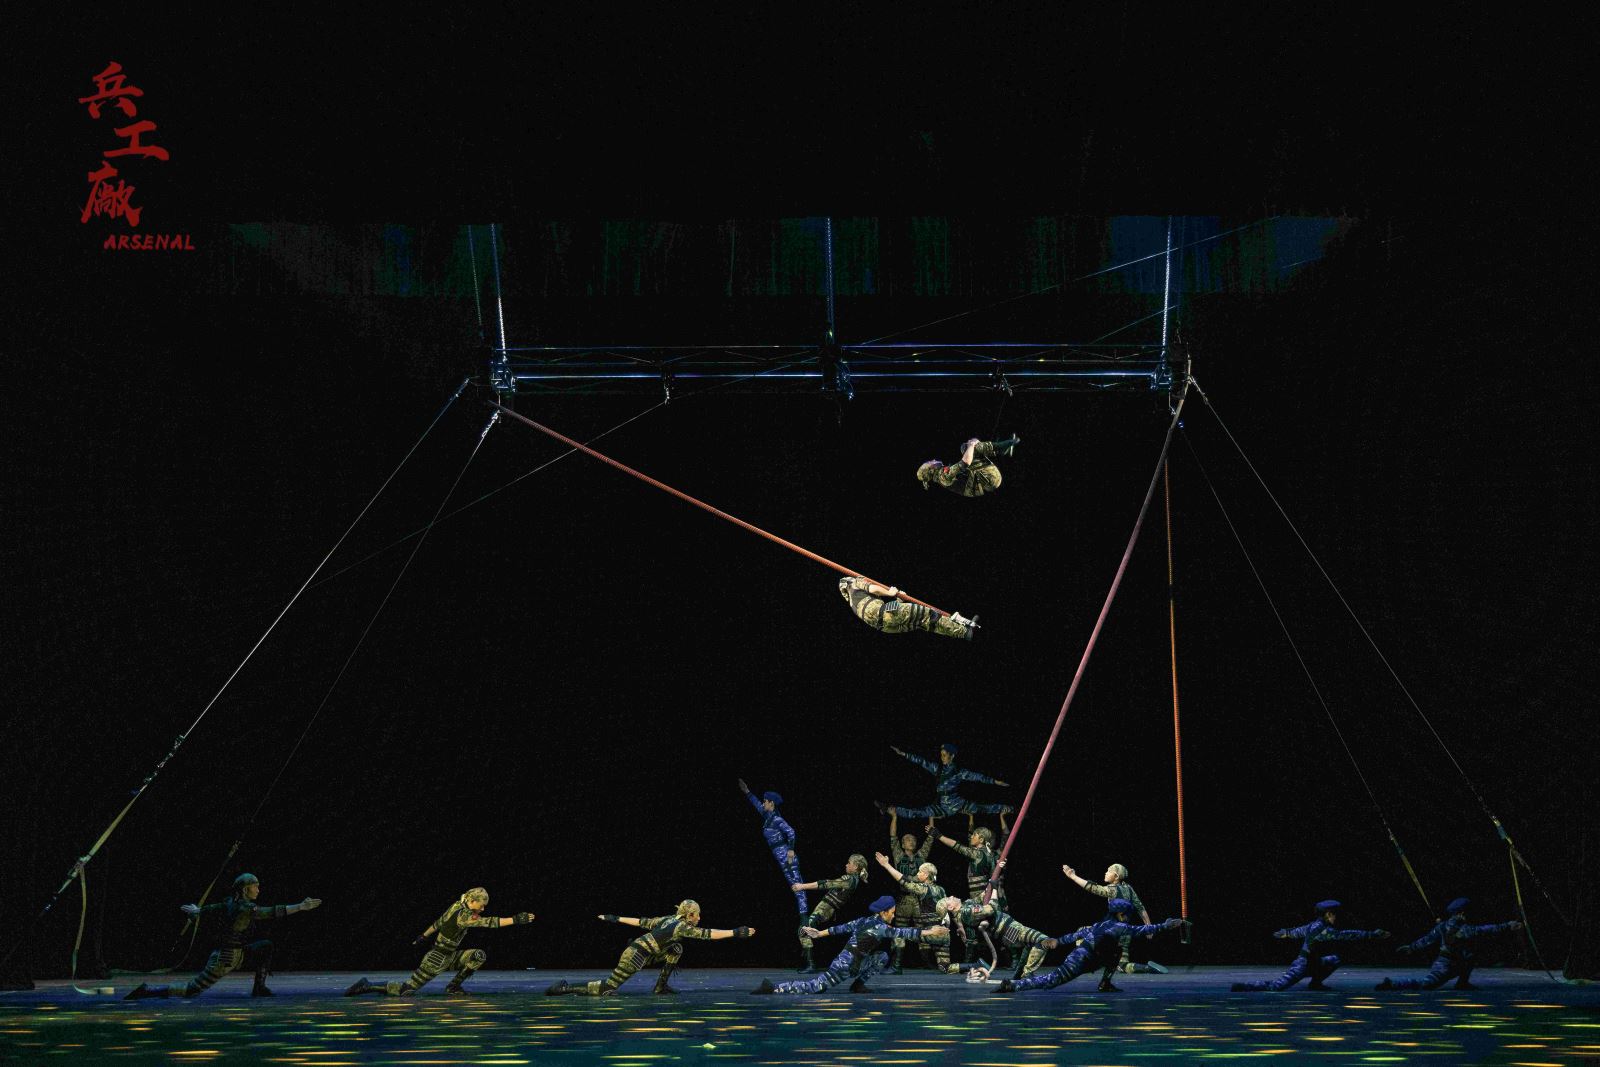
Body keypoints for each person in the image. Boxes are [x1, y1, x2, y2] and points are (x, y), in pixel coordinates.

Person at [126, 873, 321, 1000]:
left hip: (239, 954)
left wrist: (198, 911)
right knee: (192, 990)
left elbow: (213, 908)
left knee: (266, 946)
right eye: (255, 886)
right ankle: (148, 991)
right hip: (225, 958)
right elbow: (272, 912)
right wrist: (300, 907)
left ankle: (259, 988)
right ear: (245, 890)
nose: (258, 889)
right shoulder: (245, 908)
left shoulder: (230, 903)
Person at [346, 887, 534, 997]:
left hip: (450, 956)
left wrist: (423, 935)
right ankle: (367, 985)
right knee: (406, 990)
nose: (483, 909)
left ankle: (453, 987)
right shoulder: (463, 915)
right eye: (481, 905)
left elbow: (439, 922)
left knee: (478, 956)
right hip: (436, 958)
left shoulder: (457, 905)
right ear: (472, 901)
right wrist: (515, 920)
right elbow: (489, 922)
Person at [545, 901, 754, 996]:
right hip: (635, 955)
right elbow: (708, 934)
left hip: (643, 954)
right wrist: (735, 932)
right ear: (689, 915)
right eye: (697, 915)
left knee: (676, 949)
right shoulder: (681, 926)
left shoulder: (668, 919)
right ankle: (564, 989)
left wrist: (615, 918)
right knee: (607, 988)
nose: (699, 918)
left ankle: (660, 987)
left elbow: (641, 921)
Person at [752, 895, 942, 994]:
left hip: (853, 962)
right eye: (892, 912)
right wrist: (931, 931)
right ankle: (774, 988)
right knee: (816, 987)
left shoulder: (864, 921)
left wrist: (819, 934)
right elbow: (905, 933)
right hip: (846, 965)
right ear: (883, 912)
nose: (894, 915)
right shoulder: (880, 927)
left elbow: (840, 928)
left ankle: (857, 986)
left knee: (882, 956)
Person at [994, 898, 1188, 993]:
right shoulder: (1118, 926)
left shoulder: (1099, 924)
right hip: (1081, 960)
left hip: (1089, 958)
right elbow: (1141, 930)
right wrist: (1166, 925)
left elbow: (1076, 935)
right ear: (1121, 914)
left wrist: (1058, 941)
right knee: (1051, 981)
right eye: (1127, 915)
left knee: (1115, 952)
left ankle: (1105, 983)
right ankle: (1013, 985)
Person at [1231, 900, 1389, 992]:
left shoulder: (1315, 925)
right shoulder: (1322, 929)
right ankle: (1245, 986)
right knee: (1276, 987)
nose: (1336, 917)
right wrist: (1372, 934)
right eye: (1334, 914)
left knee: (1334, 959)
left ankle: (1315, 983)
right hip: (1303, 964)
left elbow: (1299, 931)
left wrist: (1286, 933)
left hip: (1314, 961)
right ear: (1328, 914)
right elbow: (1345, 934)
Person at [1375, 897, 1523, 991]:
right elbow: (1486, 929)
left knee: (1470, 955)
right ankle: (1394, 984)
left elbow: (1428, 939)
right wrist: (1508, 925)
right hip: (1446, 965)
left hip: (1453, 963)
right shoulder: (1463, 929)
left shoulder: (1444, 926)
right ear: (1461, 913)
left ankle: (1462, 983)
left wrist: (1411, 948)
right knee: (1427, 984)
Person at [936, 870, 1055, 979]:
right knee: (1042, 940)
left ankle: (1020, 974)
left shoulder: (966, 906)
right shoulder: (966, 913)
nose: (952, 896)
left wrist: (996, 873)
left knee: (1030, 944)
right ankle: (1027, 973)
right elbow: (992, 908)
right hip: (1007, 929)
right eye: (949, 899)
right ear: (950, 907)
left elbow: (982, 896)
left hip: (1008, 928)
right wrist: (994, 889)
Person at [1062, 862, 1168, 974]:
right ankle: (1146, 968)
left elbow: (1092, 888)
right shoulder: (1129, 888)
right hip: (1125, 933)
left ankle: (1082, 963)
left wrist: (1073, 876)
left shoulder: (1112, 889)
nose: (1106, 873)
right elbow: (1141, 908)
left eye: (1109, 871)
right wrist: (1149, 927)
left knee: (1081, 931)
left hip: (1112, 931)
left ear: (1116, 876)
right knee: (1122, 965)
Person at [877, 743, 1013, 818]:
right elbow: (922, 761)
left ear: (952, 756)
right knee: (918, 813)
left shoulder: (959, 772)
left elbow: (977, 777)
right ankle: (888, 808)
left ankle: (1011, 809)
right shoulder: (938, 769)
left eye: (944, 755)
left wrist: (995, 782)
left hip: (956, 804)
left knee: (982, 808)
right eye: (941, 755)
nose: (942, 758)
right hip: (942, 806)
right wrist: (904, 754)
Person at [874, 841, 947, 972]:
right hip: (943, 933)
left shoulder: (923, 889)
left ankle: (896, 967)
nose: (917, 874)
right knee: (946, 968)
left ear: (926, 875)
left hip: (931, 933)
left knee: (899, 933)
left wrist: (886, 865)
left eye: (920, 872)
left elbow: (903, 880)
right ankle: (972, 965)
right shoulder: (941, 890)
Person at [739, 779, 807, 916]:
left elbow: (791, 832)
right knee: (794, 884)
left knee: (797, 885)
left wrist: (791, 850)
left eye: (765, 801)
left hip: (786, 857)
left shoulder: (776, 819)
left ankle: (804, 917)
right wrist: (747, 792)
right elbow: (757, 805)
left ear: (771, 803)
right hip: (779, 855)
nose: (763, 803)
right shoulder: (768, 816)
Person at [792, 854, 869, 972]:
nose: (846, 865)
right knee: (805, 930)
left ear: (855, 866)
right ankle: (807, 959)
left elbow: (825, 883)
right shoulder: (852, 879)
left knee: (804, 930)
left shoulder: (849, 880)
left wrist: (802, 886)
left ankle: (810, 964)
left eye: (849, 863)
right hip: (825, 909)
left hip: (826, 910)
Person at [838, 576, 976, 640]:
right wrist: (890, 593)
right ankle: (963, 631)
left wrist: (899, 600)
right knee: (928, 615)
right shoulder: (854, 583)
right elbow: (873, 588)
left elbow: (880, 614)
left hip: (885, 627)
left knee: (924, 622)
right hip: (885, 613)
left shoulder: (853, 604)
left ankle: (965, 633)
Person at [883, 811, 936, 971]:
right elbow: (893, 837)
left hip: (919, 900)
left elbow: (930, 838)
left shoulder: (921, 856)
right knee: (900, 930)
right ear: (903, 844)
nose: (911, 842)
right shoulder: (899, 856)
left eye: (913, 840)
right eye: (907, 840)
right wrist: (894, 817)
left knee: (923, 929)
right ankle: (897, 963)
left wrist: (931, 816)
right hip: (904, 899)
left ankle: (927, 961)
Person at [917, 436, 1020, 498]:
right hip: (989, 480)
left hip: (985, 480)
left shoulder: (941, 477)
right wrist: (972, 444)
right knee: (969, 447)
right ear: (931, 469)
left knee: (966, 448)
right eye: (930, 462)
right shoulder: (943, 476)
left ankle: (999, 450)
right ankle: (1006, 445)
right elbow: (965, 463)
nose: (933, 460)